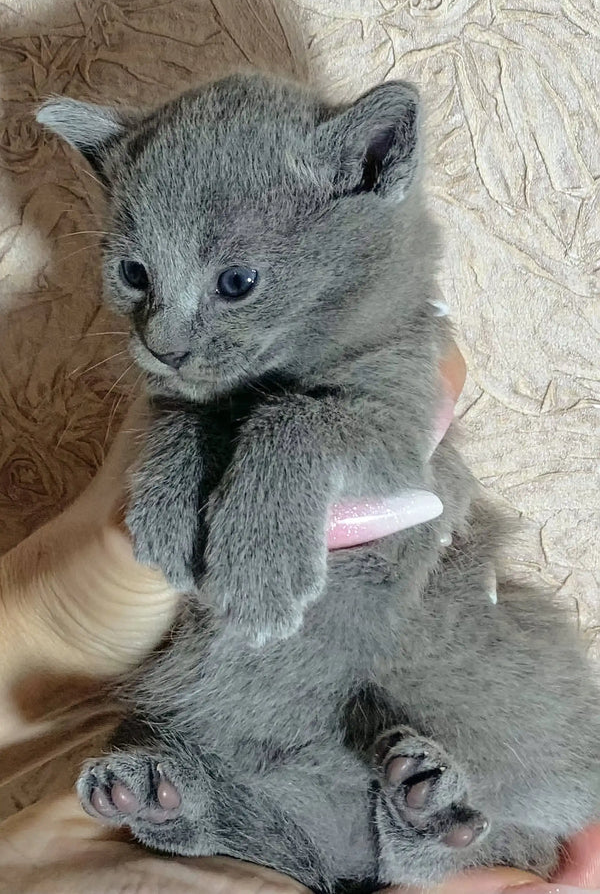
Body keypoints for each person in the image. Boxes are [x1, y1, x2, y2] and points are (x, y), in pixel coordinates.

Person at [0, 343, 597, 894]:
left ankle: (206, 812)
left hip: (421, 728)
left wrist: (51, 620)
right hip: (280, 769)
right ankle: (201, 813)